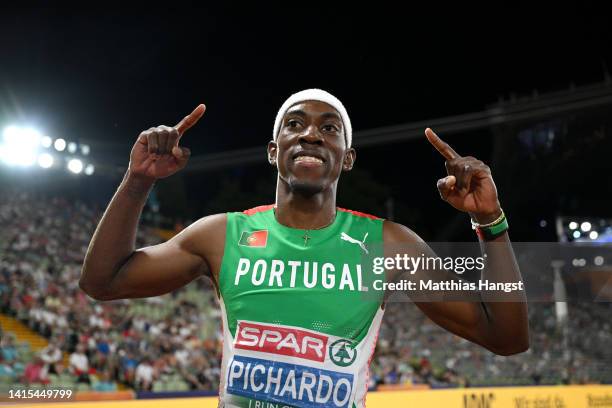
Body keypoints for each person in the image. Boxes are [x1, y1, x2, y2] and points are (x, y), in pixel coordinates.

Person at [80, 89, 529, 407]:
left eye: (329, 128)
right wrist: (138, 180)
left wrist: (489, 221)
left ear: (347, 157)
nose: (311, 135)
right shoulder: (221, 235)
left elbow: (507, 338)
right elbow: (103, 281)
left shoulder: (388, 245)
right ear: (274, 151)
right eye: (295, 124)